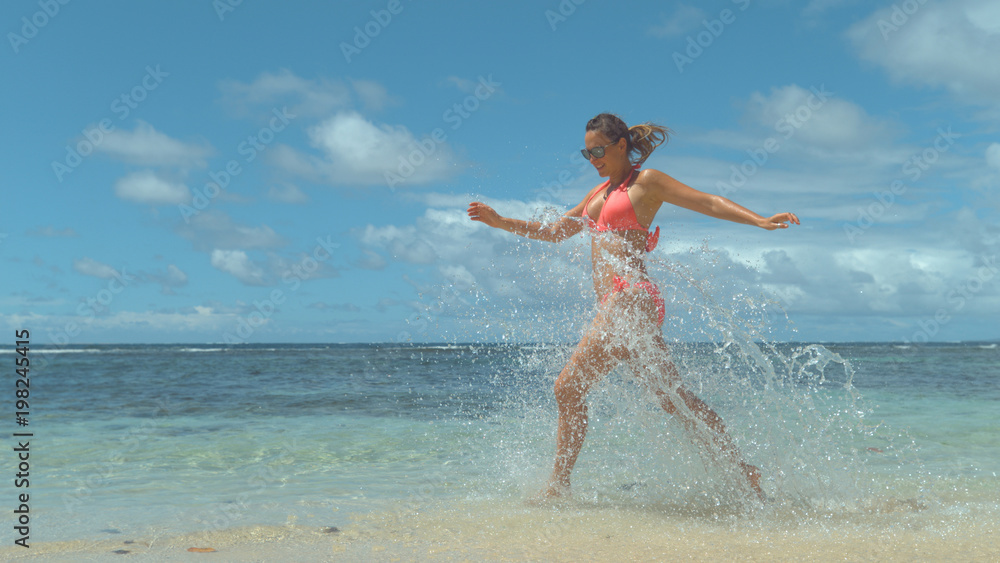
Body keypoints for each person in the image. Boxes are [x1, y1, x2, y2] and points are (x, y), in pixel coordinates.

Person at [467, 113, 799, 501]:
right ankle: (746, 474)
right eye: (586, 152)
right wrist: (501, 221)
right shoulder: (595, 196)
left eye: (598, 150)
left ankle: (557, 488)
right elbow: (555, 232)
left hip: (632, 298)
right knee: (673, 399)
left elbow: (706, 201)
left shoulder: (647, 182)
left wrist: (759, 221)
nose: (592, 159)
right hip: (621, 304)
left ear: (621, 145)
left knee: (567, 388)